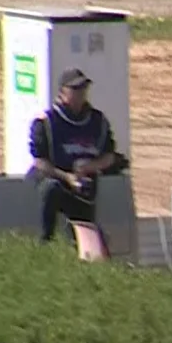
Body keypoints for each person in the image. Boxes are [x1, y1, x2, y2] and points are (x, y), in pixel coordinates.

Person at [30, 68, 125, 261]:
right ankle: (44, 245)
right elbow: (39, 161)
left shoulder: (98, 121)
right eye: (75, 89)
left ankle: (86, 254)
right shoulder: (46, 122)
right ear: (63, 92)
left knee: (86, 234)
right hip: (56, 181)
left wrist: (90, 168)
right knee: (51, 189)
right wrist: (67, 177)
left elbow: (111, 156)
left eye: (83, 88)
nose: (81, 93)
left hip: (85, 189)